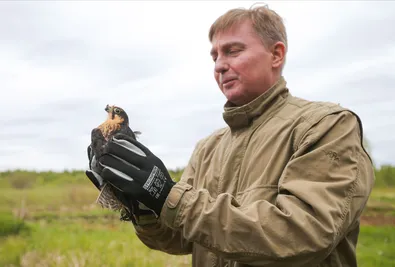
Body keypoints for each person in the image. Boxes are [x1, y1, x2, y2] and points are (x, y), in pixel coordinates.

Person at [85, 4, 375, 267]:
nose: (220, 65)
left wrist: (168, 194)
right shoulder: (209, 147)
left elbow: (302, 234)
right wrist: (144, 202)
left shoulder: (326, 126)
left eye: (233, 51)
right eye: (215, 56)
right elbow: (180, 238)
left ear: (276, 54)